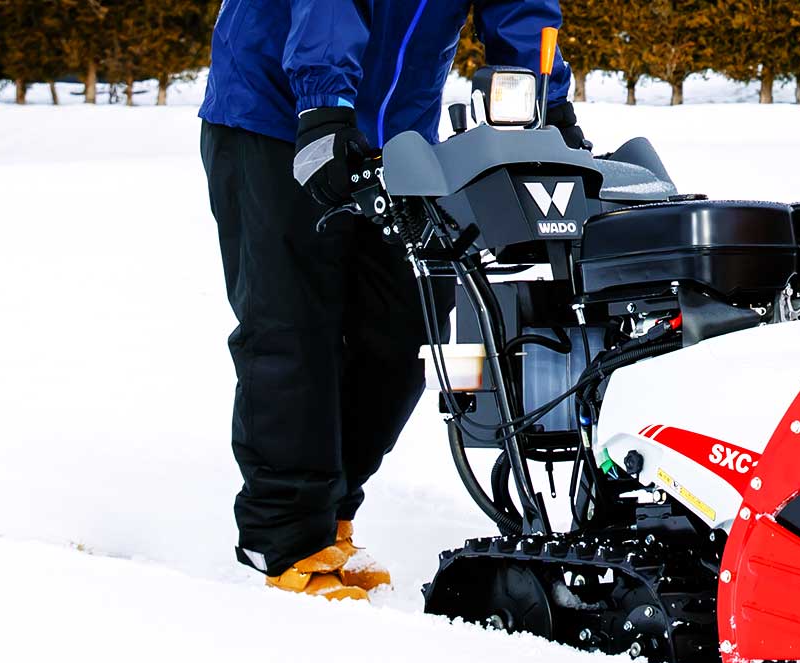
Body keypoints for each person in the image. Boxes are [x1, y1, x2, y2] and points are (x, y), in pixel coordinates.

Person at [200, 0, 584, 601]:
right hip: (280, 116)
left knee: (401, 334)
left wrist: (548, 101)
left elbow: (521, 6)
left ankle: (329, 514)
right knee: (292, 328)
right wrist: (323, 102)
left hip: (397, 133)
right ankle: (282, 536)